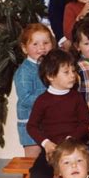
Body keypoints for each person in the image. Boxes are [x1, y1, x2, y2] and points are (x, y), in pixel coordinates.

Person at [26, 50, 89, 178]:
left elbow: (85, 123)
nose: (72, 76)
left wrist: (71, 139)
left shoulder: (76, 97)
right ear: (51, 76)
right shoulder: (43, 100)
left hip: (74, 149)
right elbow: (31, 126)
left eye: (73, 71)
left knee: (88, 173)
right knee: (38, 176)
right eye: (66, 72)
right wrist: (46, 144)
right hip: (51, 151)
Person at [14, 23, 55, 158]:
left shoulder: (51, 67)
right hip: (30, 123)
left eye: (46, 43)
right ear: (25, 48)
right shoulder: (24, 71)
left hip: (48, 122)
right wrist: (50, 99)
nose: (41, 48)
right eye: (35, 44)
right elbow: (25, 99)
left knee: (51, 158)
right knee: (33, 159)